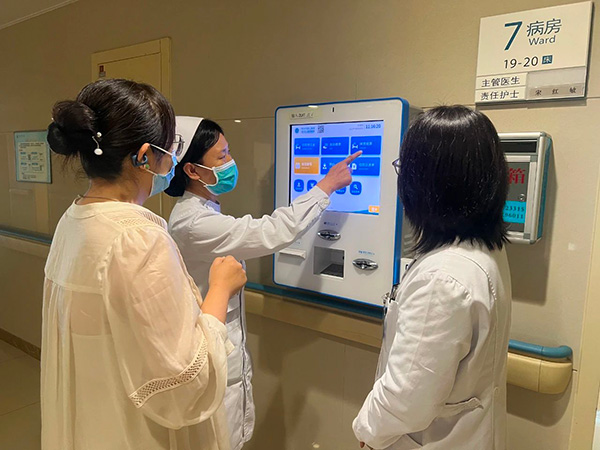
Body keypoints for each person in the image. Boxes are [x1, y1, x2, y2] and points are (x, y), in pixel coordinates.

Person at [43, 79, 245, 450]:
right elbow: (184, 382)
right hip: (136, 433)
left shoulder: (73, 222)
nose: (173, 160)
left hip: (95, 421)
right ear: (144, 156)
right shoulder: (137, 238)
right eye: (171, 148)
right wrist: (221, 288)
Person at [166, 116, 361, 450]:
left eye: (229, 151)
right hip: (211, 362)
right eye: (221, 156)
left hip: (222, 357)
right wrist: (325, 186)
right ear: (193, 171)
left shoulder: (204, 212)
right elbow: (270, 231)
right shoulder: (193, 223)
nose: (231, 162)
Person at [353, 106, 512, 450]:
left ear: (426, 184)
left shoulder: (443, 278)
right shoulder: (484, 252)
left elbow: (407, 397)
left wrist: (367, 430)